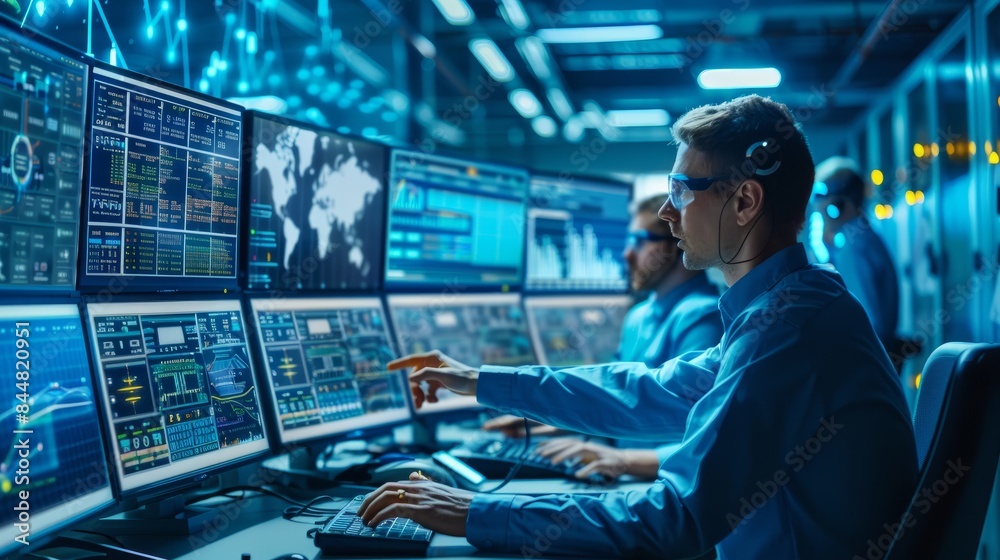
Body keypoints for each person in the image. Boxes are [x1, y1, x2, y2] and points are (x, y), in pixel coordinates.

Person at [358, 95, 917, 558]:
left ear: (745, 200)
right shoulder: (785, 309)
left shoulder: (786, 330)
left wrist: (476, 512)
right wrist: (480, 381)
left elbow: (676, 519)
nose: (669, 212)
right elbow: (646, 392)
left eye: (681, 191)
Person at [509, 193, 724, 480]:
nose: (627, 254)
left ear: (676, 243)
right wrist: (552, 418)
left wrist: (624, 460)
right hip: (626, 477)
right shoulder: (639, 315)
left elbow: (707, 434)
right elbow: (619, 398)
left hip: (661, 484)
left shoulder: (703, 316)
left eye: (639, 240)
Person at [810, 156, 899, 348]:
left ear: (838, 205)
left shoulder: (854, 249)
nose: (815, 206)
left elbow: (870, 326)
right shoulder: (863, 239)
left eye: (819, 194)